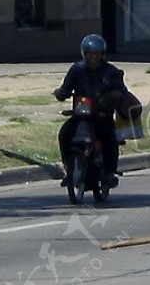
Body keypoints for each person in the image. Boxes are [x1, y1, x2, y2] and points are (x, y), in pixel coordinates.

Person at [53, 34, 128, 185]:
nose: (93, 57)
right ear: (84, 54)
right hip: (81, 115)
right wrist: (61, 93)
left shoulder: (111, 72)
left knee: (109, 138)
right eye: (90, 54)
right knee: (65, 134)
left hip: (102, 115)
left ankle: (109, 173)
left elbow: (121, 90)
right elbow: (65, 88)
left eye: (97, 54)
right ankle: (69, 169)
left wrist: (113, 96)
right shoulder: (77, 69)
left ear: (102, 54)